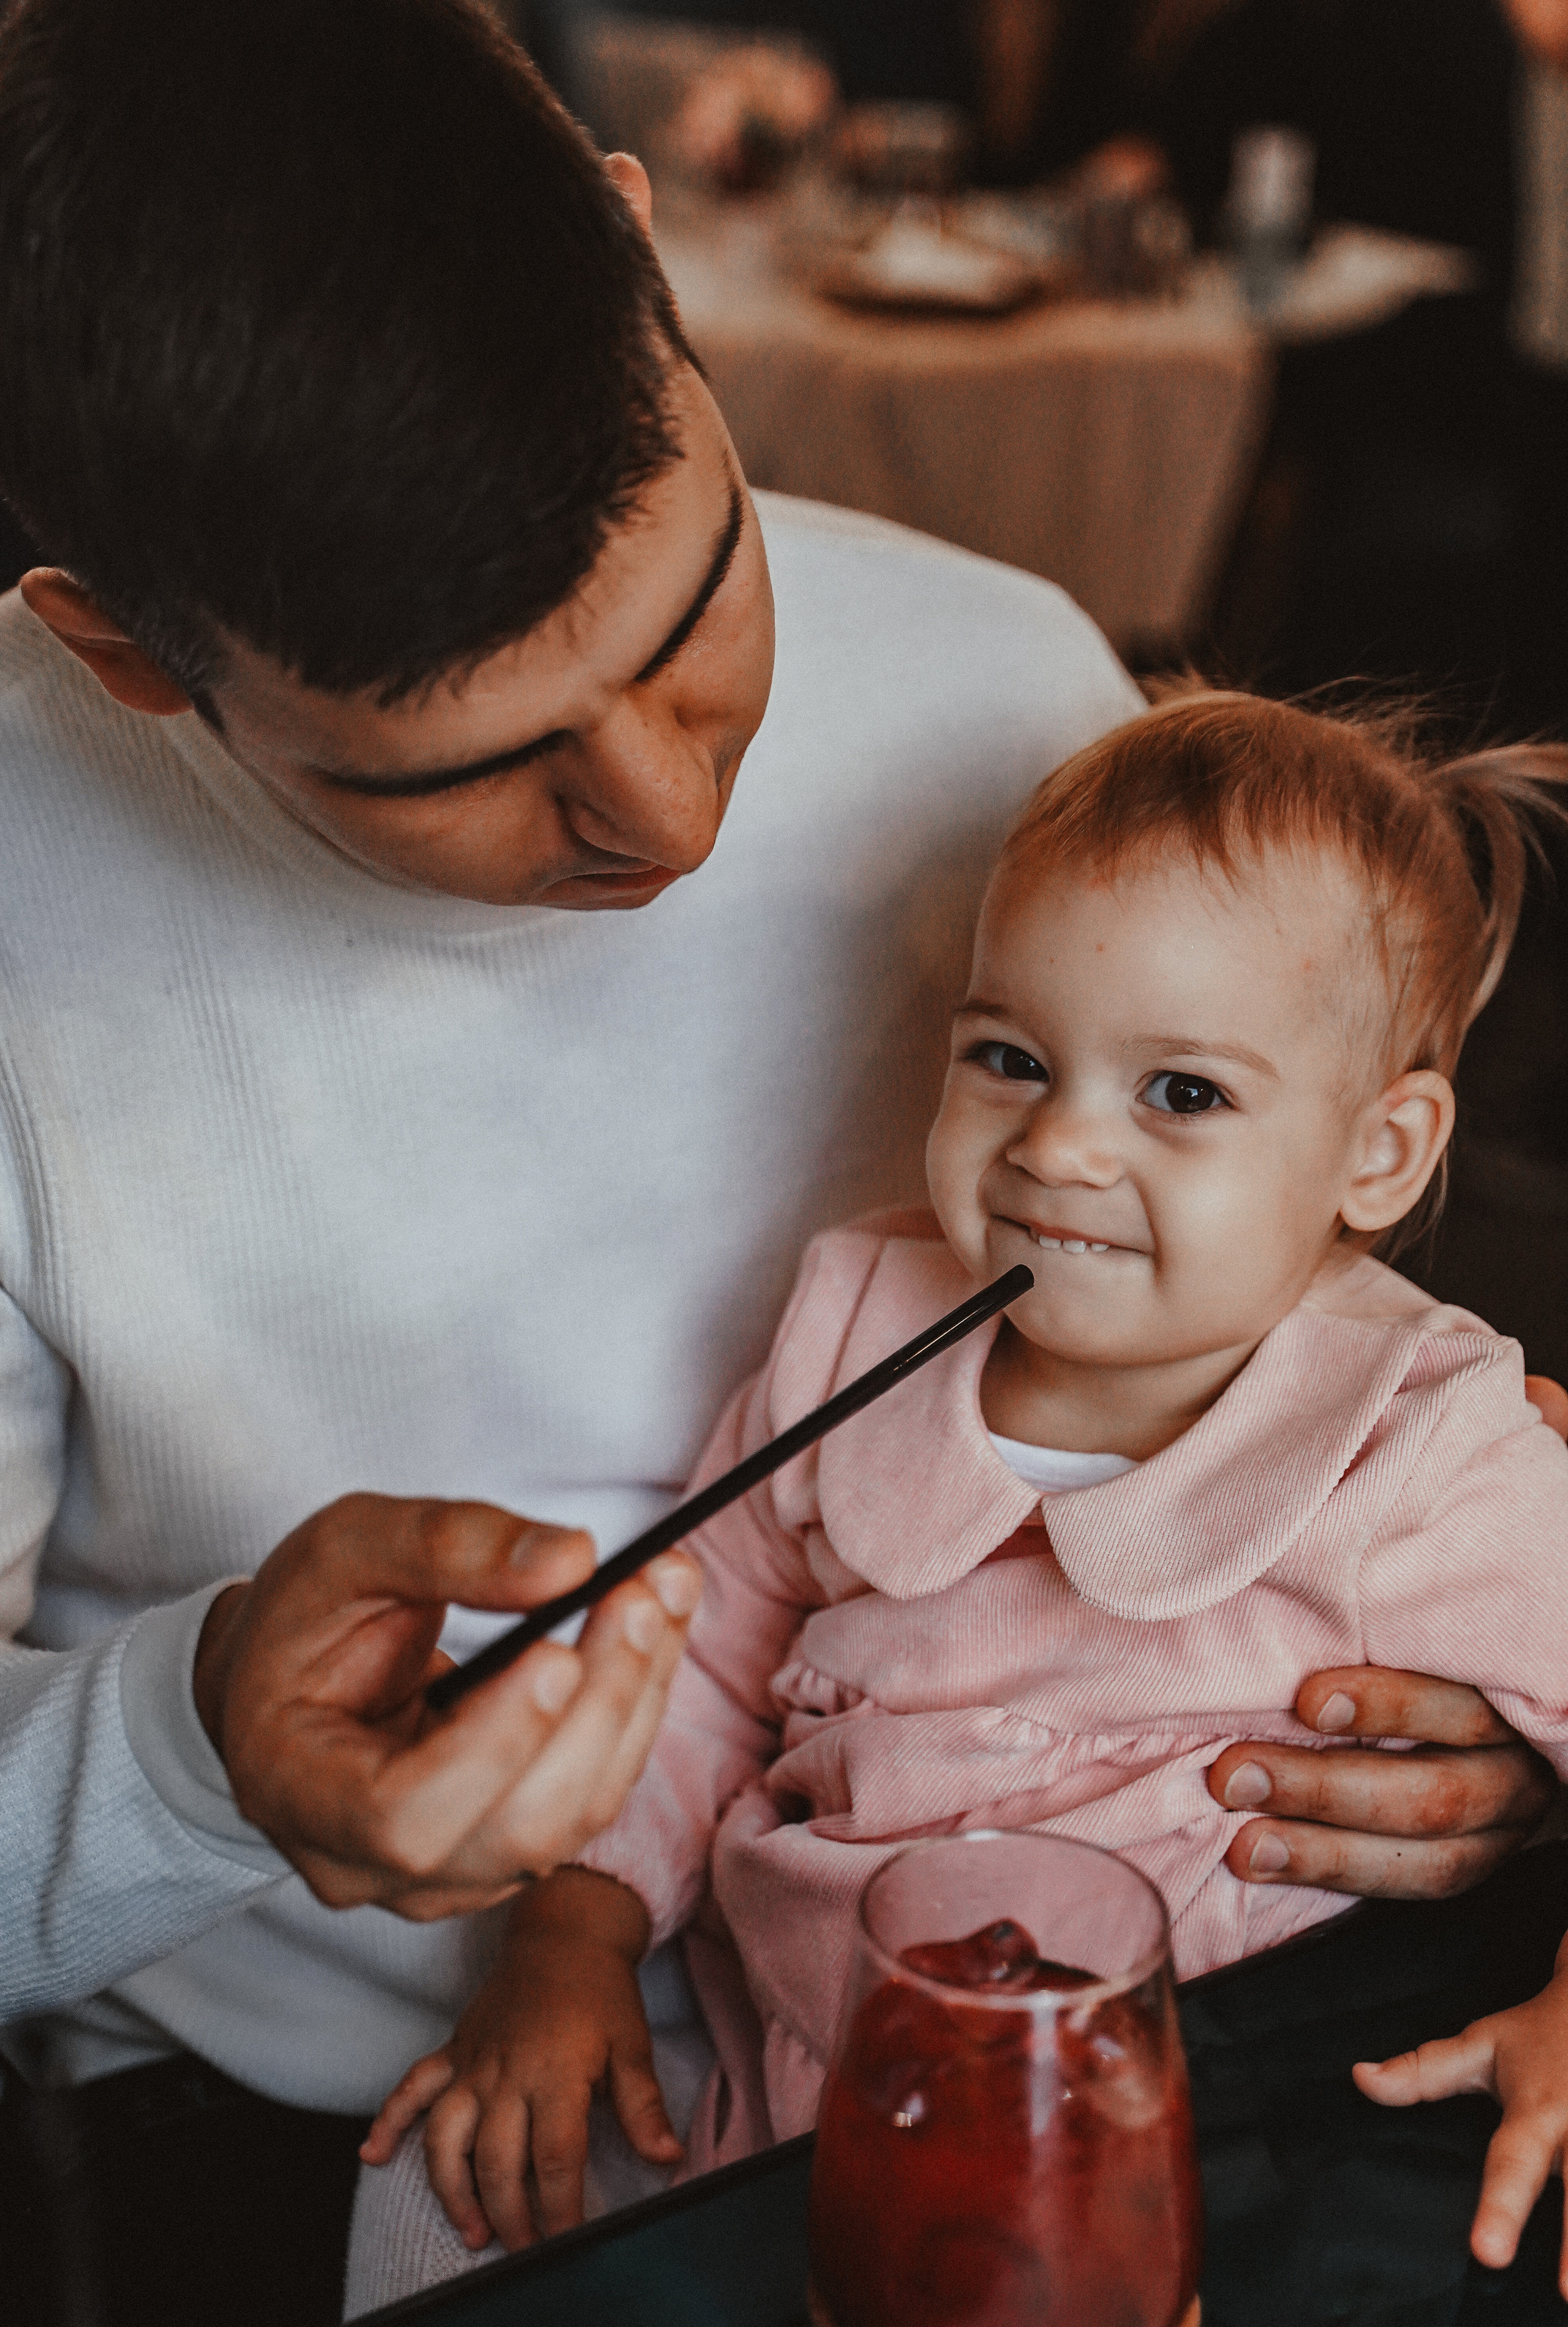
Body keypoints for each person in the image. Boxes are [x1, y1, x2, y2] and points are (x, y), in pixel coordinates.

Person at [0, 0, 1554, 2321]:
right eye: (465, 768)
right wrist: (192, 1749)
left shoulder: (1015, 687)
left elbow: (1303, 1240)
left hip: (1158, 2045)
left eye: (695, 609)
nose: (666, 813)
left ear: (650, 261)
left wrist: (1505, 1759)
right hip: (371, 2112)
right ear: (128, 654)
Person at [353, 686, 1568, 2310]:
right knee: (436, 2194)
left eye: (1181, 1094)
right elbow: (693, 1652)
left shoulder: (1415, 1439)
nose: (1055, 1146)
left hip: (1185, 2156)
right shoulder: (858, 1321)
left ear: (1382, 1154)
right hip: (794, 2099)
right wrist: (573, 1933)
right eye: (1010, 1059)